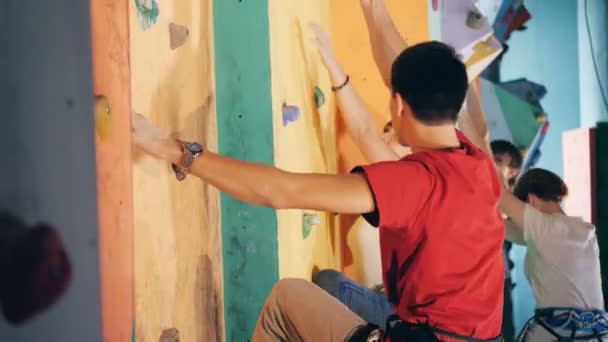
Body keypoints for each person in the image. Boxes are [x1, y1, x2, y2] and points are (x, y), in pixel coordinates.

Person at [133, 17, 504, 341]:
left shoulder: (414, 184)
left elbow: (281, 191)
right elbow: (380, 112)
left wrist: (174, 150)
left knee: (286, 300)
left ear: (398, 105)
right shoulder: (477, 168)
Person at [461, 73, 608, 342]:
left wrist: (466, 127)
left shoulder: (545, 227)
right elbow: (500, 225)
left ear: (532, 200)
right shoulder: (581, 232)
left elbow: (498, 194)